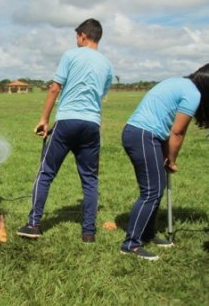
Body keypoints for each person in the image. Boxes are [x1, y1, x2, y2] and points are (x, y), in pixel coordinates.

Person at [17, 18, 114, 243]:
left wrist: (44, 119)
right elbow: (101, 94)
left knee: (46, 172)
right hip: (91, 125)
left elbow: (54, 88)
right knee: (90, 179)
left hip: (67, 121)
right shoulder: (107, 65)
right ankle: (88, 233)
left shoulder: (70, 55)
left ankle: (34, 224)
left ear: (82, 35)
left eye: (76, 36)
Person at [120, 64, 209, 260]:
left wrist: (165, 156)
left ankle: (148, 233)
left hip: (145, 135)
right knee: (151, 190)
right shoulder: (193, 94)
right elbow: (177, 131)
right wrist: (172, 159)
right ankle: (131, 244)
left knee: (156, 187)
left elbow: (166, 125)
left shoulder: (179, 82)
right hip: (143, 135)